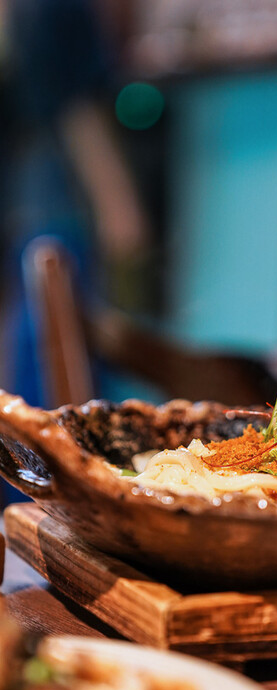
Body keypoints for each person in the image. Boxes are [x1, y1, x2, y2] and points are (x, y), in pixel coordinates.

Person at [0, 0, 151, 407]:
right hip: (56, 206)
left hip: (31, 202)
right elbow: (72, 106)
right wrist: (117, 202)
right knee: (55, 368)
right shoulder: (51, 10)